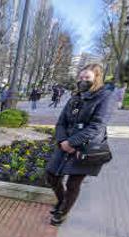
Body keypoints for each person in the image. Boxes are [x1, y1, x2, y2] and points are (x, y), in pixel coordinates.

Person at [45, 64, 113, 226]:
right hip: (65, 143)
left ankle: (63, 212)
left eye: (87, 78)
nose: (82, 81)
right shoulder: (75, 96)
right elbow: (61, 122)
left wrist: (72, 142)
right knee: (51, 175)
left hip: (86, 147)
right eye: (81, 78)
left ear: (96, 78)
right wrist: (62, 141)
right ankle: (62, 201)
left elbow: (97, 126)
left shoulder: (104, 97)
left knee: (73, 183)